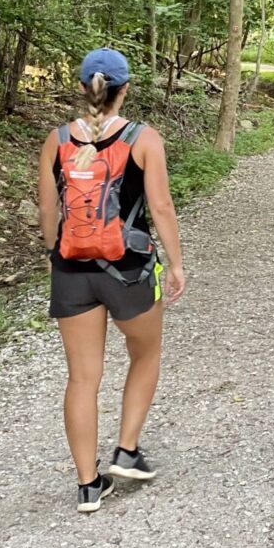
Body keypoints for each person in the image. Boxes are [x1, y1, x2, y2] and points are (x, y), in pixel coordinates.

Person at [37, 47, 187, 512]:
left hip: (71, 271)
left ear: (84, 88)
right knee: (145, 354)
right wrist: (177, 263)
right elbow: (160, 207)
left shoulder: (56, 139)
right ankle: (126, 449)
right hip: (128, 270)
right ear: (125, 90)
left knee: (82, 378)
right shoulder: (144, 138)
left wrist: (52, 256)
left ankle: (87, 485)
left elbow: (48, 211)